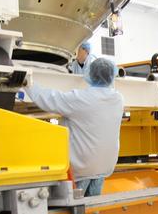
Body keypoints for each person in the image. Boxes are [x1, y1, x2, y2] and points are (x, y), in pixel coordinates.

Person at [27, 57, 124, 197]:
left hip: (82, 168)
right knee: (93, 209)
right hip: (104, 166)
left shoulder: (80, 99)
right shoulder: (118, 99)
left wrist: (26, 82)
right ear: (111, 76)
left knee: (76, 208)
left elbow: (48, 99)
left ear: (90, 74)